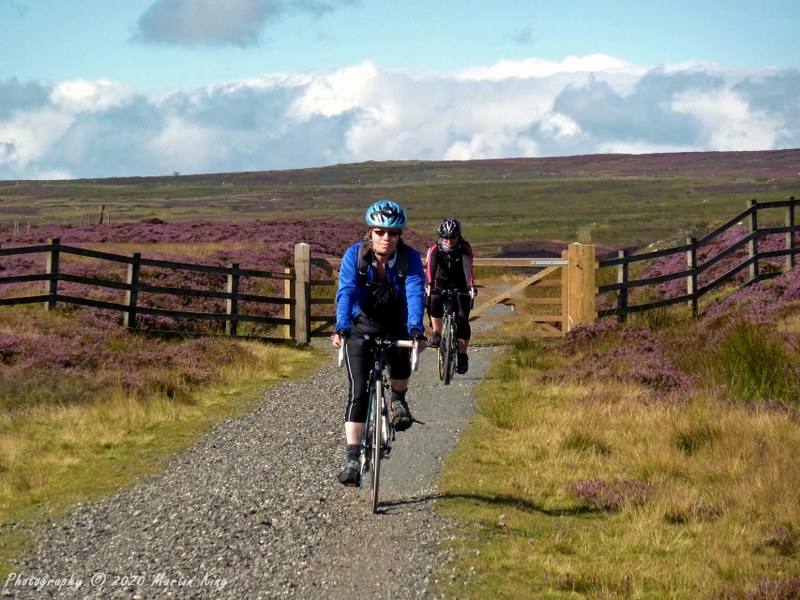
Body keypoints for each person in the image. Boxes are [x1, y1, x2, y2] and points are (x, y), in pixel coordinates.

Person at [332, 199, 427, 487]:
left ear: (400, 235)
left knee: (400, 370)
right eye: (380, 232)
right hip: (361, 324)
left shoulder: (409, 259)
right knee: (358, 391)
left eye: (393, 233)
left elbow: (414, 294)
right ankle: (351, 461)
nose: (387, 238)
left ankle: (398, 399)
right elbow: (346, 291)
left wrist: (415, 330)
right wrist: (342, 326)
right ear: (370, 232)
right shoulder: (355, 255)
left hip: (396, 324)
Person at [425, 217, 476, 375]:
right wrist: (428, 283)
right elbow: (431, 267)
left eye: (452, 237)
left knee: (462, 320)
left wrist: (470, 286)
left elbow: (468, 267)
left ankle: (462, 355)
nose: (448, 241)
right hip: (441, 281)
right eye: (445, 237)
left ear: (458, 235)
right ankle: (436, 334)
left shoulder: (464, 247)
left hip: (460, 283)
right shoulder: (436, 248)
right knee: (434, 298)